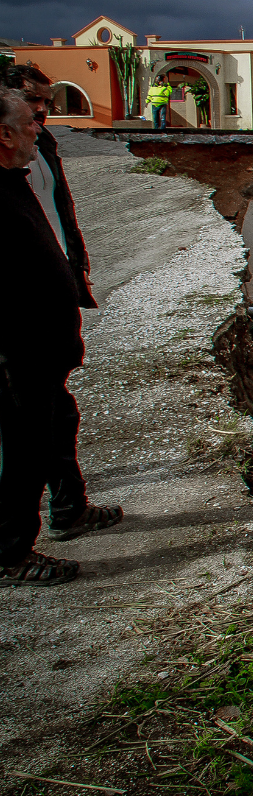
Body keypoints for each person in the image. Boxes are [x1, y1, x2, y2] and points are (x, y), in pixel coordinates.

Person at [3, 65, 120, 545]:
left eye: (47, 105)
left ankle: (70, 507)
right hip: (19, 338)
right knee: (24, 440)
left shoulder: (33, 156)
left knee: (56, 418)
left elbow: (56, 217)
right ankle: (12, 549)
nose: (41, 116)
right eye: (33, 105)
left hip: (47, 325)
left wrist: (72, 270)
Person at [0, 88, 87, 585]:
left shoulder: (14, 181)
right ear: (4, 134)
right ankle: (10, 553)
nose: (39, 127)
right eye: (29, 121)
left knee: (54, 428)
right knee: (22, 451)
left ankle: (69, 511)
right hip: (19, 355)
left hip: (43, 350)